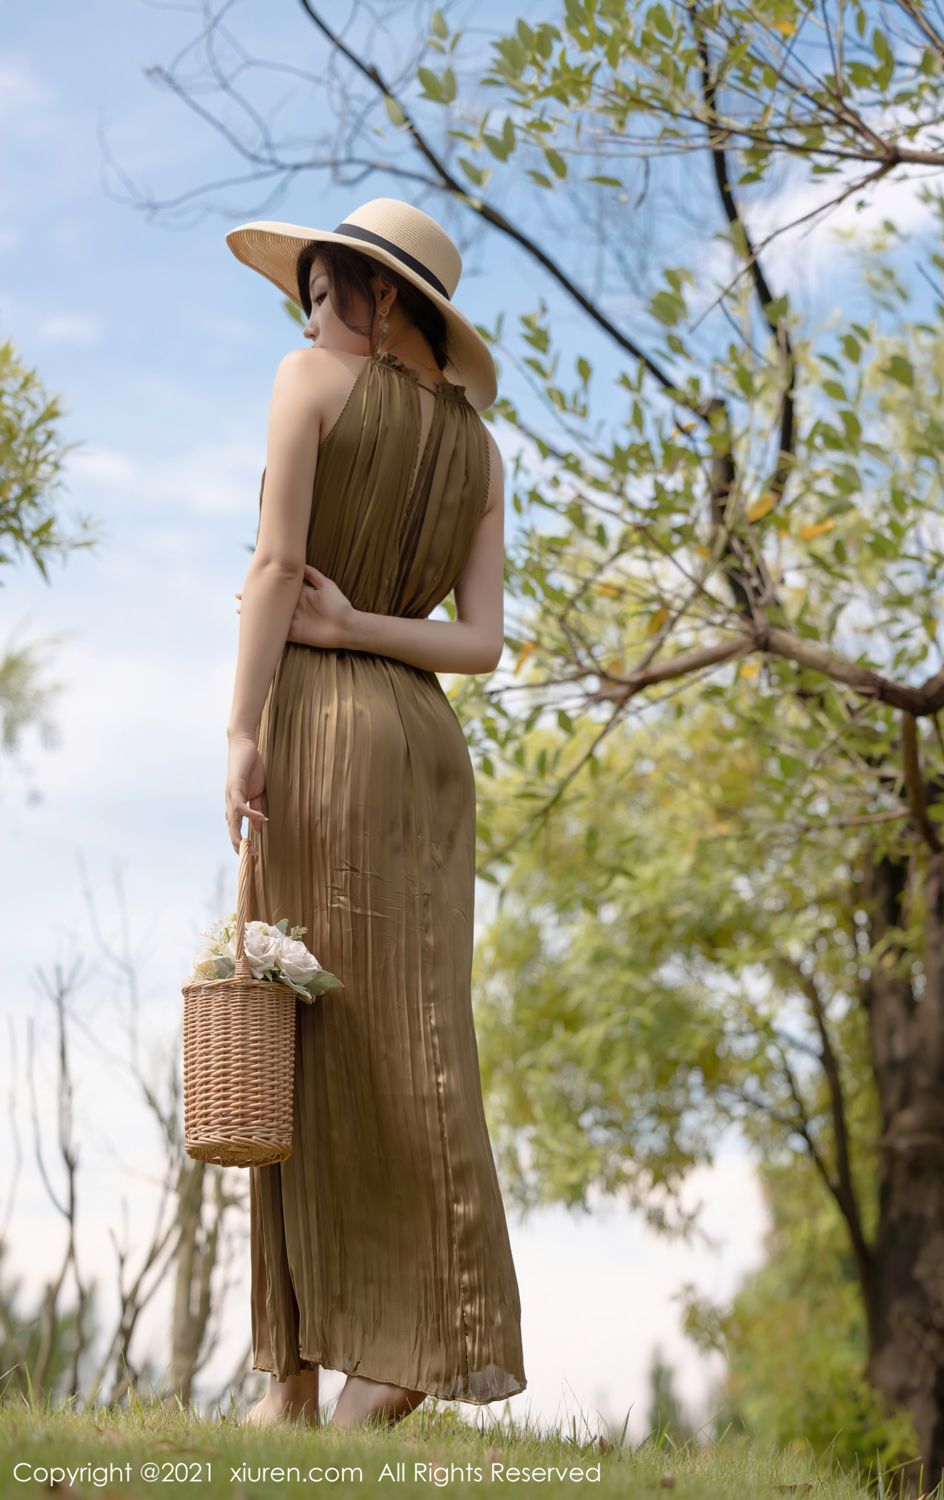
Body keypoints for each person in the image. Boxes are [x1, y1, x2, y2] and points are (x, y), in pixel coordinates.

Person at [221, 199, 526, 1429]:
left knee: (287, 1027)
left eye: (325, 288)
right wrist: (369, 630)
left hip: (319, 734)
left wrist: (243, 730)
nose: (308, 312)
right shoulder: (481, 453)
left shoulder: (308, 386)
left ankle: (295, 1379)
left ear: (386, 299)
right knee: (418, 1034)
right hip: (421, 746)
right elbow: (484, 643)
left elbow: (273, 571)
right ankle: (394, 1358)